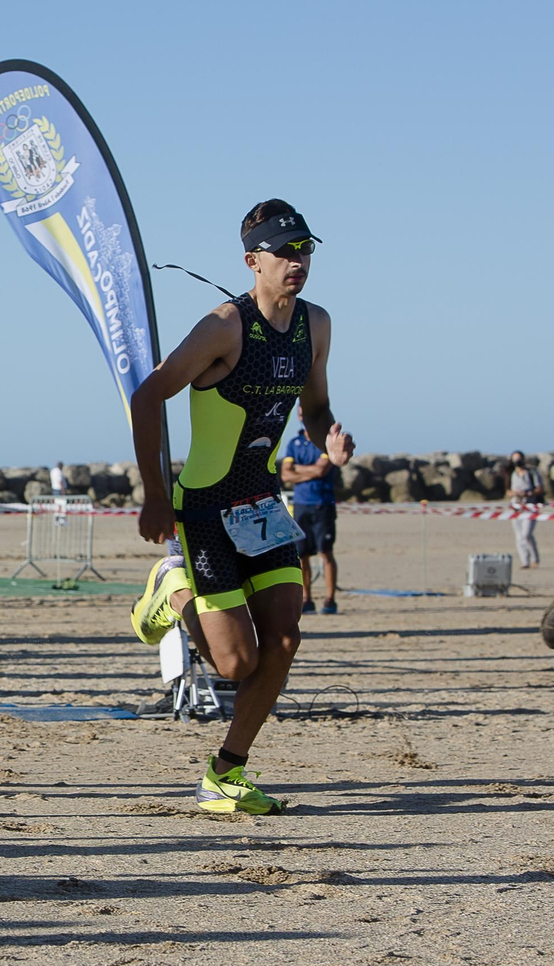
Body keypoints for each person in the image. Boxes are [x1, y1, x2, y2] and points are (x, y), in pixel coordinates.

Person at [129, 199, 354, 815]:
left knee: (284, 640)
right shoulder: (223, 328)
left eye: (304, 249)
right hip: (203, 507)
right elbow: (148, 398)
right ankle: (171, 587)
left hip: (261, 504)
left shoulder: (317, 325)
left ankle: (224, 773)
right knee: (235, 663)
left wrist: (330, 432)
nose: (297, 261)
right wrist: (154, 494)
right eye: (284, 251)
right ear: (252, 260)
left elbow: (315, 406)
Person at [281, 426, 339, 613]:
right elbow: (285, 474)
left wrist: (299, 470)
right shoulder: (294, 443)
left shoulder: (325, 442)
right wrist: (311, 470)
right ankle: (307, 598)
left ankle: (330, 599)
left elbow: (322, 470)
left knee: (326, 552)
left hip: (323, 503)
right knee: (301, 554)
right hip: (300, 504)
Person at [509, 451, 545, 569]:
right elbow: (508, 491)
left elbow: (540, 488)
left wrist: (527, 493)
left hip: (530, 506)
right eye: (515, 459)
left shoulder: (532, 472)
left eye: (519, 459)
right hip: (517, 507)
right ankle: (525, 561)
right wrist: (515, 493)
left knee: (526, 534)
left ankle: (535, 558)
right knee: (519, 536)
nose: (517, 462)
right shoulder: (513, 474)